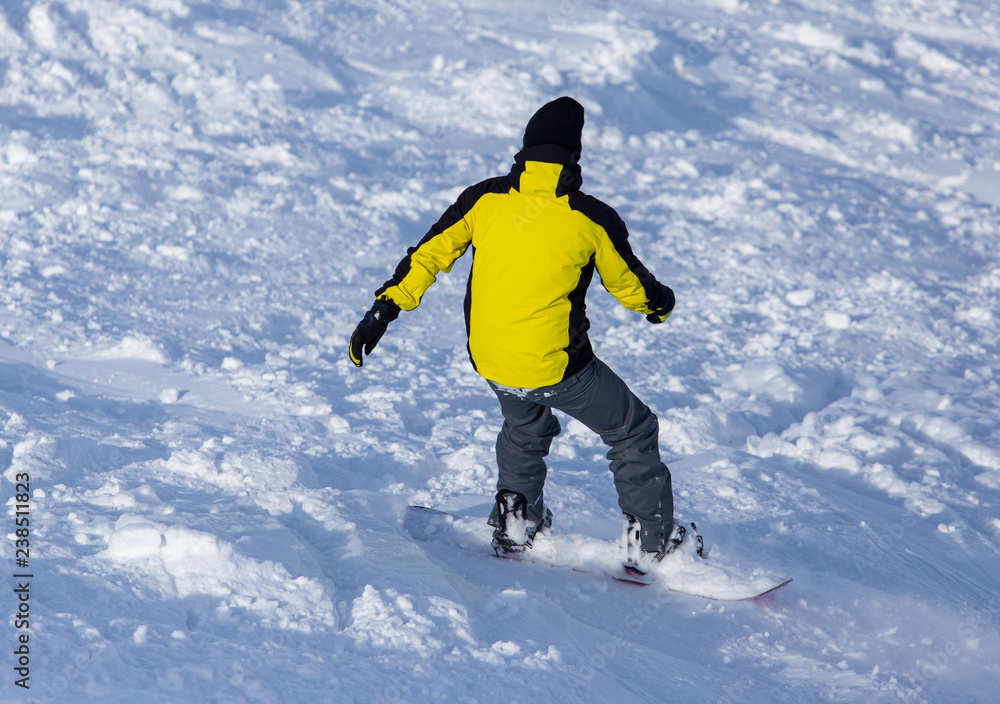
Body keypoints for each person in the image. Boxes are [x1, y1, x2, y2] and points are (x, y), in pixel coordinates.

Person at [349, 96, 678, 570]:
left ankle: (515, 524)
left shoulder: (484, 199)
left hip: (492, 358)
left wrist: (382, 312)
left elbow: (428, 255)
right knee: (633, 430)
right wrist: (659, 304)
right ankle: (652, 547)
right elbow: (631, 287)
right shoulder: (590, 217)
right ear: (574, 155)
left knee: (526, 428)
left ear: (525, 149)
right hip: (558, 365)